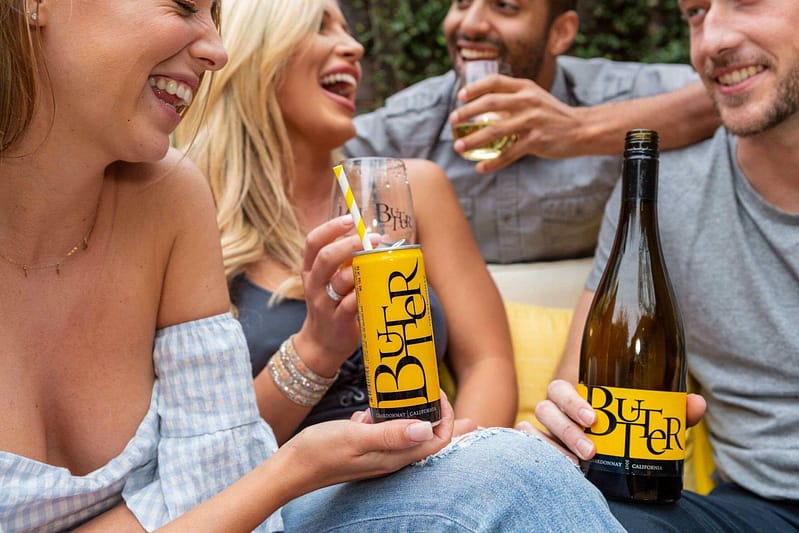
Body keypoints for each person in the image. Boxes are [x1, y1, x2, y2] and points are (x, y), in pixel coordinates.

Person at [0, 0, 629, 531]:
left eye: (215, 14)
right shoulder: (203, 199)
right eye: (185, 5)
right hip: (291, 490)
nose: (215, 47)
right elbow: (238, 475)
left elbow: (208, 473)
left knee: (513, 472)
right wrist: (314, 359)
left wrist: (461, 447)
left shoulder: (174, 198)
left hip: (364, 477)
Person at [177, 0, 517, 443]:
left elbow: (487, 362)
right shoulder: (185, 213)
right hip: (289, 482)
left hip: (436, 464)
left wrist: (456, 458)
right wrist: (316, 349)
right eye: (320, 26)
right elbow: (210, 446)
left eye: (346, 28)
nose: (354, 47)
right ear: (255, 53)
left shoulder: (412, 188)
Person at [533, 0, 799, 529]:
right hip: (756, 509)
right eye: (695, 12)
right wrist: (563, 437)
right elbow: (579, 400)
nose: (712, 40)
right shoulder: (659, 193)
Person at [344, 0, 722, 263]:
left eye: (505, 6)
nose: (470, 25)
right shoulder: (410, 124)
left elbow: (727, 96)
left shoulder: (612, 94)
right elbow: (325, 153)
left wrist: (579, 129)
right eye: (461, 2)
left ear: (560, 32)